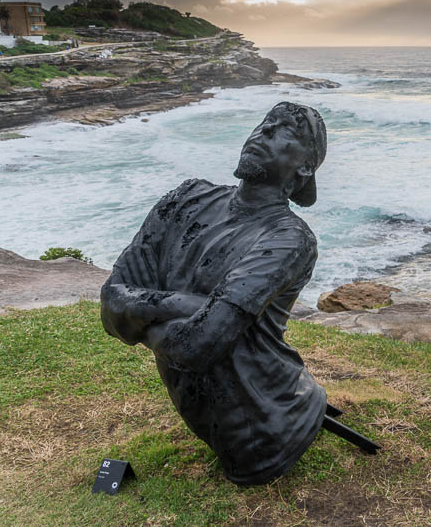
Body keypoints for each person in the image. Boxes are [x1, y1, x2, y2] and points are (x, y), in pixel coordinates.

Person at [101, 101, 328, 485]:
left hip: (263, 426)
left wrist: (143, 316)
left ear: (305, 167)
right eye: (265, 122)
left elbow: (197, 346)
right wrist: (195, 307)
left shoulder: (289, 239)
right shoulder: (187, 198)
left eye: (284, 131)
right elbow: (110, 303)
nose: (264, 132)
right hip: (213, 412)